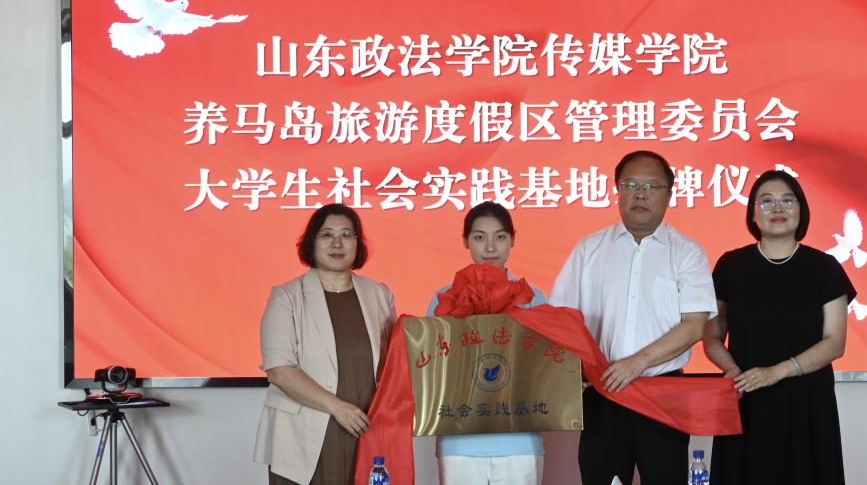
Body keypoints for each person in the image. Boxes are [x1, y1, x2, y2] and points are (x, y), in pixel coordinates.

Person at [549, 151, 717, 485]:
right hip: (603, 393)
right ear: (618, 191)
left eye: (652, 186)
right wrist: (573, 370)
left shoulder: (686, 252)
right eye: (631, 185)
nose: (641, 194)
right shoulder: (589, 250)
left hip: (664, 394)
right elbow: (561, 319)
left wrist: (636, 363)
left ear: (669, 194)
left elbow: (695, 324)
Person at [703, 170, 856, 485]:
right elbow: (712, 337)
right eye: (766, 201)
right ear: (752, 214)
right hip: (746, 395)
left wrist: (777, 372)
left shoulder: (824, 268)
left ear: (801, 210)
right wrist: (731, 370)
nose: (777, 208)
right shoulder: (731, 266)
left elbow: (834, 342)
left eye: (788, 200)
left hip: (807, 401)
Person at [254, 204, 397, 485]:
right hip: (302, 432)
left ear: (358, 243)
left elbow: (395, 362)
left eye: (346, 234)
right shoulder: (286, 296)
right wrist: (337, 408)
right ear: (311, 241)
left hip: (364, 429)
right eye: (327, 234)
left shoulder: (379, 294)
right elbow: (279, 371)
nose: (337, 243)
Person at [426, 201, 548, 485]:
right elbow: (431, 364)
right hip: (459, 440)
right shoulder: (444, 298)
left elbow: (548, 362)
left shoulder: (533, 298)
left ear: (513, 240)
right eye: (480, 237)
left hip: (519, 440)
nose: (490, 247)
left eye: (500, 237)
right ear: (465, 241)